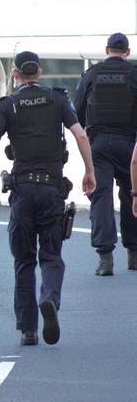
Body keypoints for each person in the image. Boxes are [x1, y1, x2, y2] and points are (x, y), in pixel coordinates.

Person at [0, 51, 96, 346]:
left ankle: (28, 330)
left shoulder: (10, 104)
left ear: (15, 74)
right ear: (40, 73)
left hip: (23, 191)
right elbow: (81, 136)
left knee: (24, 261)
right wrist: (89, 172)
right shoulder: (57, 99)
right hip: (52, 190)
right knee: (52, 256)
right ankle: (50, 299)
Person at [74, 33, 137, 276]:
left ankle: (105, 259)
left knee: (101, 196)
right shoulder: (134, 75)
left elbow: (77, 111)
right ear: (127, 52)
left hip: (98, 144)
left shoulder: (92, 74)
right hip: (129, 144)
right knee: (132, 194)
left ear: (106, 49)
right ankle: (134, 255)